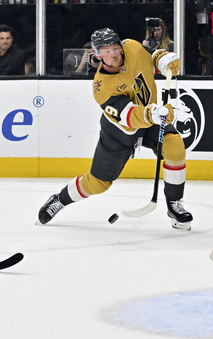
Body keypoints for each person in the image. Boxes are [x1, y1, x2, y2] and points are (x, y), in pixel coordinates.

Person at [36, 27, 193, 231]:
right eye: (106, 51)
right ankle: (60, 199)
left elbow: (151, 56)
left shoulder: (133, 48)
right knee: (97, 184)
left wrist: (162, 59)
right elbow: (128, 116)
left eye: (115, 48)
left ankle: (174, 205)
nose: (113, 54)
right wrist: (151, 114)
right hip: (119, 133)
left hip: (151, 118)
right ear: (98, 55)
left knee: (175, 147)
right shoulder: (101, 87)